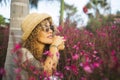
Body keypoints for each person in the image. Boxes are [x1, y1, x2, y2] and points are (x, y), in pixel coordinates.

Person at [19, 13, 65, 80]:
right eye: (46, 28)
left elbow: (52, 71)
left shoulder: (47, 52)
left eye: (51, 28)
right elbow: (46, 73)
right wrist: (54, 46)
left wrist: (56, 47)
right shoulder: (22, 53)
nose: (50, 31)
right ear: (34, 33)